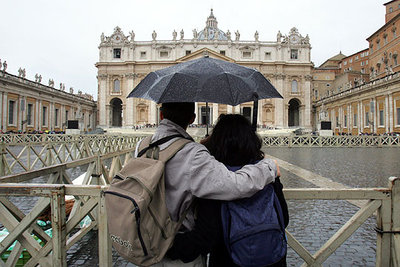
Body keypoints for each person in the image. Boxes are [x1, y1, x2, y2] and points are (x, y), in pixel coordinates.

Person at [137, 103, 280, 267]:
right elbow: (236, 185)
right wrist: (269, 167)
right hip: (180, 249)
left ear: (161, 115)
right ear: (192, 118)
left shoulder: (142, 146)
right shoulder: (194, 154)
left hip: (147, 243)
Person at [167, 114, 288, 266]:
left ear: (217, 140)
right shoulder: (267, 171)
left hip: (230, 260)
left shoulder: (214, 177)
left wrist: (167, 245)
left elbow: (206, 237)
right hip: (272, 258)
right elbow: (284, 217)